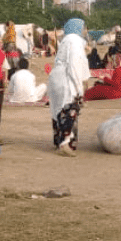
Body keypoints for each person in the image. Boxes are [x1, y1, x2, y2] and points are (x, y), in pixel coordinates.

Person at [47, 18, 91, 156]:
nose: (86, 31)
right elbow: (74, 65)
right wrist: (79, 87)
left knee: (57, 111)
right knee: (69, 109)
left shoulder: (67, 41)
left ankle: (59, 141)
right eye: (84, 28)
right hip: (66, 79)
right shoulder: (74, 41)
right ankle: (65, 144)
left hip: (57, 78)